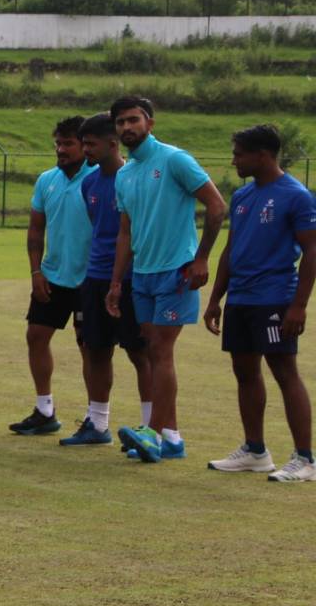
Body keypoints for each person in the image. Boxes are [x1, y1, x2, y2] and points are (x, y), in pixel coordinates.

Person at [105, 96, 226, 463]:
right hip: (142, 274)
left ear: (150, 123)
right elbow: (125, 232)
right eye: (121, 122)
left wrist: (201, 256)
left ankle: (155, 434)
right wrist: (115, 282)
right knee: (151, 348)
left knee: (160, 349)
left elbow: (217, 205)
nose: (127, 127)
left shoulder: (175, 159)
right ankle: (172, 438)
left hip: (177, 270)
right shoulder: (124, 173)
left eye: (134, 120)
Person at [203, 125, 316, 482]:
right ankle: (255, 451)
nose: (234, 160)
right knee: (245, 371)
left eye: (239, 154)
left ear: (262, 155)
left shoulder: (296, 196)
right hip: (241, 299)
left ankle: (305, 458)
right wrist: (216, 298)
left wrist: (298, 305)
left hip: (276, 297)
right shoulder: (242, 196)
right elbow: (231, 249)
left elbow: (312, 250)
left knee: (285, 371)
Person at [62, 113, 153, 447]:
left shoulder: (133, 179)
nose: (86, 150)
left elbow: (132, 232)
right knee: (95, 350)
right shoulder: (89, 183)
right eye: (83, 143)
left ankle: (150, 429)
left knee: (140, 353)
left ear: (112, 143)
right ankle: (98, 425)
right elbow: (99, 230)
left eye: (91, 143)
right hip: (95, 277)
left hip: (130, 279)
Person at [12, 116, 92, 436]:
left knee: (89, 346)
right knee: (36, 335)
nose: (61, 149)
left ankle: (95, 416)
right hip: (52, 276)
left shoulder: (101, 177)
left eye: (68, 143)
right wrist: (36, 271)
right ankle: (45, 410)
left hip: (90, 278)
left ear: (84, 147)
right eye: (58, 143)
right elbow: (35, 230)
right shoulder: (46, 180)